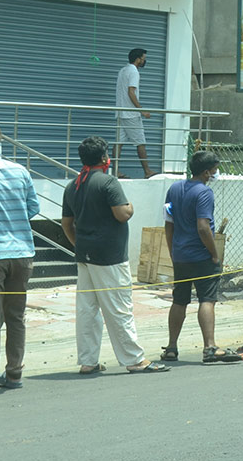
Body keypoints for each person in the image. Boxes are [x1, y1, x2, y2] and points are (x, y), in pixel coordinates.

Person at [61, 135, 166, 375]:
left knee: (88, 310)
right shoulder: (108, 182)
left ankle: (88, 361)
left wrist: (80, 244)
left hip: (84, 255)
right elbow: (122, 214)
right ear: (104, 157)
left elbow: (67, 224)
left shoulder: (73, 185)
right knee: (119, 307)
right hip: (109, 256)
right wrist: (130, 205)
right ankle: (133, 359)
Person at [0, 126, 39, 395]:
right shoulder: (20, 171)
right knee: (16, 316)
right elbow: (33, 208)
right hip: (22, 253)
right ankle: (14, 372)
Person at [162, 149, 240, 363]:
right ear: (206, 172)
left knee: (179, 301)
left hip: (180, 256)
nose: (215, 173)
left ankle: (171, 347)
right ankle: (209, 347)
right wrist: (214, 254)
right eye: (214, 170)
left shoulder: (173, 190)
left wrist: (172, 250)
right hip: (201, 256)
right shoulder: (204, 193)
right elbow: (203, 227)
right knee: (207, 299)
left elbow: (168, 223)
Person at [113, 48, 156, 178]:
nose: (144, 61)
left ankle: (115, 171)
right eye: (143, 58)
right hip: (131, 114)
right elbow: (131, 92)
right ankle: (147, 171)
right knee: (140, 142)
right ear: (138, 59)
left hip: (121, 113)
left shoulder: (123, 70)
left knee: (118, 143)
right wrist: (142, 110)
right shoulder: (133, 72)